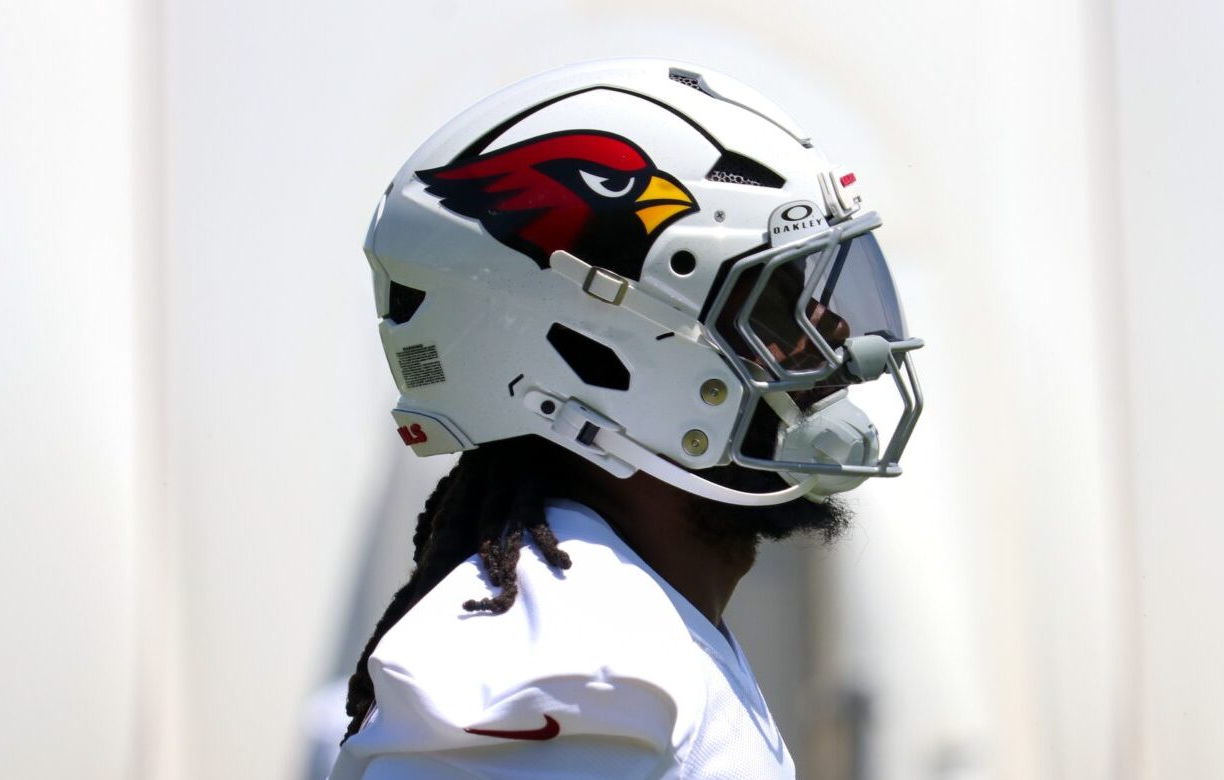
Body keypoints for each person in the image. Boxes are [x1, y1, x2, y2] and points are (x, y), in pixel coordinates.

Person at [329, 58, 924, 780]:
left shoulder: (626, 627)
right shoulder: (570, 672)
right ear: (596, 349)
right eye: (776, 297)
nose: (834, 337)